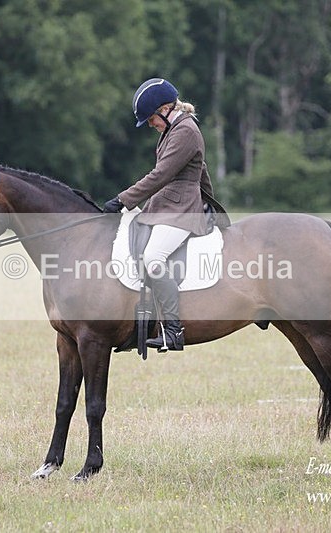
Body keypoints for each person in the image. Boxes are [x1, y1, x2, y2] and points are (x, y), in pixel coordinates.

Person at [103, 78, 215, 352]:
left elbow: (161, 174)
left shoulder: (185, 131)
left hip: (181, 210)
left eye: (152, 118)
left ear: (166, 109)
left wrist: (123, 199)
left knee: (154, 258)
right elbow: (202, 170)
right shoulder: (174, 129)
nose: (151, 124)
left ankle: (174, 331)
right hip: (167, 207)